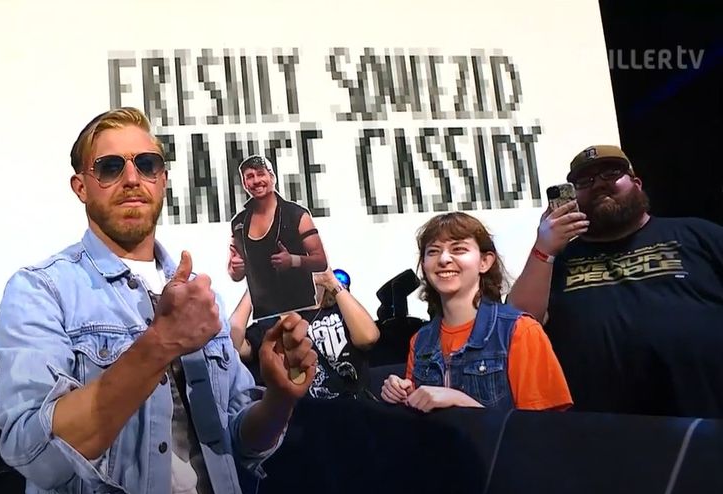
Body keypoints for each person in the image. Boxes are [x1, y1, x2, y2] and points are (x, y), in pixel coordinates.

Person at [0, 107, 318, 494]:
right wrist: (160, 344)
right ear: (81, 187)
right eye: (110, 168)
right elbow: (34, 453)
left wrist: (279, 398)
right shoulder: (41, 290)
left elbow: (239, 443)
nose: (131, 179)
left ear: (162, 180)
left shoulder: (203, 297)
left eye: (146, 165)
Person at [507, 145, 723, 417]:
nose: (598, 185)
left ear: (636, 182)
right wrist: (544, 248)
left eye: (611, 173)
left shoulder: (698, 235)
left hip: (706, 418)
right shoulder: (555, 261)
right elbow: (517, 323)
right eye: (585, 181)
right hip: (605, 432)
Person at [381, 212, 573, 412]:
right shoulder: (420, 341)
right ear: (424, 265)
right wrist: (401, 394)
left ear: (485, 262)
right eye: (433, 251)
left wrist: (461, 402)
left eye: (459, 249)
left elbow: (543, 430)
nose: (444, 259)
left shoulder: (520, 331)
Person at [229, 268, 381, 399]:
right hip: (306, 417)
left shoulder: (341, 311)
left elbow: (368, 337)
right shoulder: (277, 322)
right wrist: (255, 286)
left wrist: (332, 282)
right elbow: (234, 346)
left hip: (354, 410)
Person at [227, 155, 328, 320]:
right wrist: (235, 268)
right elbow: (234, 273)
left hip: (302, 312)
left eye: (261, 174)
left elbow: (321, 261)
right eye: (250, 177)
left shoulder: (297, 215)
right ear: (245, 184)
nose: (256, 180)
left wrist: (293, 261)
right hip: (264, 319)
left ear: (272, 177)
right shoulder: (238, 223)